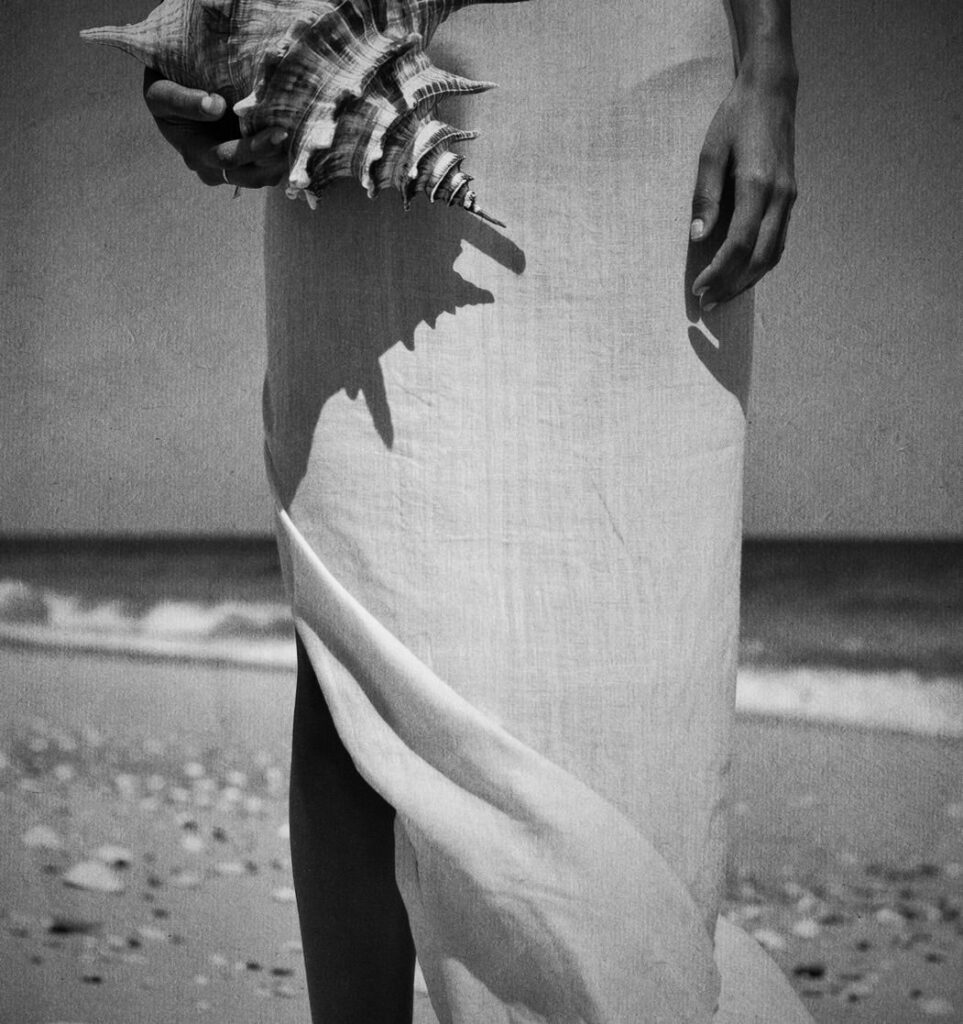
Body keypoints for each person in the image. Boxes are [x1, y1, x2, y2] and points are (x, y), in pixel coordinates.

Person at [144, 0, 809, 1020]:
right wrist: (203, 45)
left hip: (635, 78)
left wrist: (772, 68)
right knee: (360, 626)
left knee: (638, 612)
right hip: (358, 60)